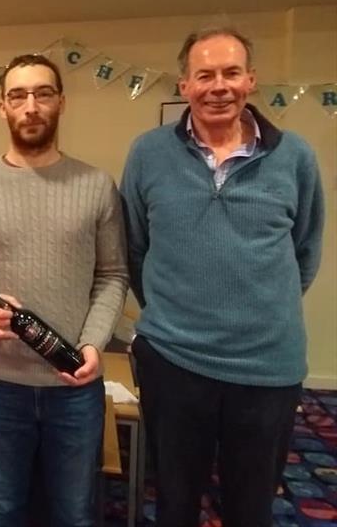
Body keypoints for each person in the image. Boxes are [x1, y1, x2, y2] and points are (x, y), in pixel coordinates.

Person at [120, 27, 325, 527]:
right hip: (173, 360)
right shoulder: (149, 154)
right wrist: (175, 312)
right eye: (205, 74)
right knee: (173, 501)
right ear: (184, 85)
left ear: (250, 80)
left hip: (266, 369)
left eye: (231, 73)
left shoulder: (295, 157)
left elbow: (305, 251)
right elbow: (134, 247)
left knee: (251, 507)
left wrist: (258, 308)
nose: (219, 86)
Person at [0, 54, 129, 526]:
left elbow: (113, 275)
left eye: (42, 93)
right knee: (2, 509)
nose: (31, 105)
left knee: (74, 514)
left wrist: (92, 344)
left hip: (75, 384)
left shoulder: (95, 185)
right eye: (18, 95)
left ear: (61, 103)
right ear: (2, 107)